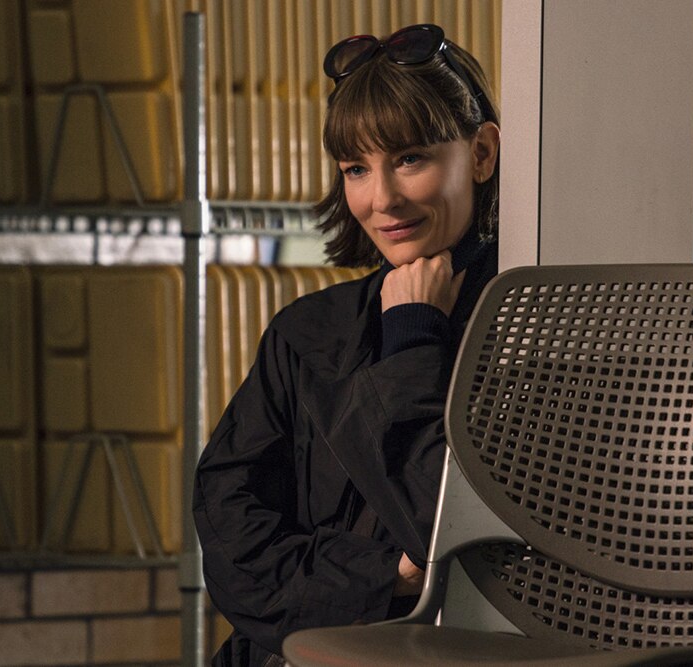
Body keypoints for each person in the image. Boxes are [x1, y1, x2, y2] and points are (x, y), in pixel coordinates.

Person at [192, 23, 501, 667]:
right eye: (357, 168)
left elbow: (450, 532)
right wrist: (385, 576)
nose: (380, 199)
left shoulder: (537, 328)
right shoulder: (308, 332)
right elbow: (230, 541)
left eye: (410, 158)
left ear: (481, 154)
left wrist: (415, 339)